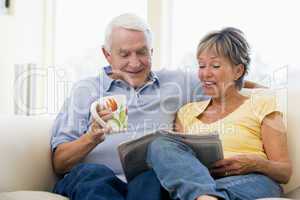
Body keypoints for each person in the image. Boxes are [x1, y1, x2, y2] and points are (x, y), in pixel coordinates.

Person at [50, 13, 202, 200]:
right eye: (125, 54)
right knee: (93, 174)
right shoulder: (85, 90)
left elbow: (224, 82)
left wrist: (246, 86)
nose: (135, 62)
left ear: (151, 52)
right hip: (93, 180)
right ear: (107, 54)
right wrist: (92, 137)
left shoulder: (177, 83)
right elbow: (60, 163)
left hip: (146, 180)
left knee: (152, 177)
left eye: (142, 52)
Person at [146, 27, 292, 200]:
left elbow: (284, 172)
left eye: (215, 66)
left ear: (238, 71)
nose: (205, 73)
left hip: (251, 181)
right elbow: (181, 163)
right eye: (201, 65)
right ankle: (206, 196)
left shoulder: (261, 103)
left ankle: (206, 196)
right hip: (202, 182)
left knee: (206, 190)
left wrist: (255, 164)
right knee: (160, 144)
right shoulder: (187, 112)